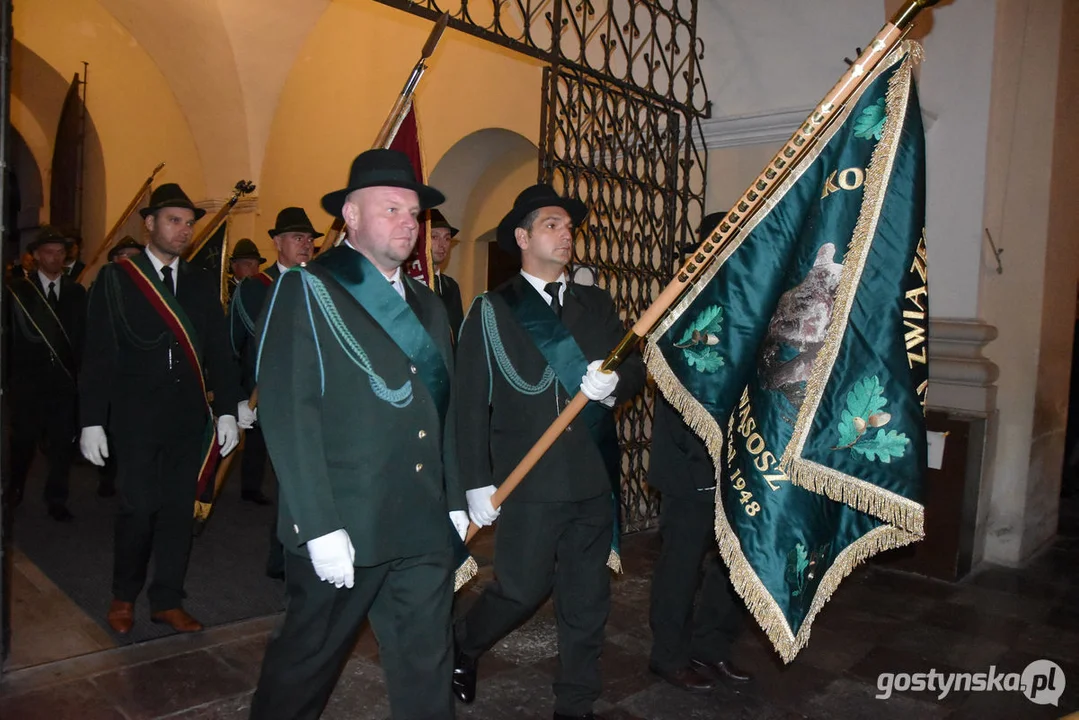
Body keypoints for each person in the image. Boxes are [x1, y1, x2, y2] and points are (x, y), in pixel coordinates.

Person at [248, 149, 468, 720]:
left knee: (427, 665)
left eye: (414, 214)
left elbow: (441, 406)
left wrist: (455, 495)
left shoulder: (428, 303)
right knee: (306, 664)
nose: (408, 224)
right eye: (391, 208)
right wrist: (317, 526)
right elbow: (288, 412)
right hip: (345, 521)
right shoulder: (306, 288)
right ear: (349, 215)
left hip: (420, 518)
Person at [452, 183, 646, 720]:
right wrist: (475, 482)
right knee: (520, 589)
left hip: (589, 474)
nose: (565, 235)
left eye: (568, 227)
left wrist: (618, 384)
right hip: (528, 480)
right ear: (522, 237)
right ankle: (463, 644)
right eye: (552, 225)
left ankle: (575, 703)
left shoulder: (596, 303)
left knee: (588, 602)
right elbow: (469, 405)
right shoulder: (492, 310)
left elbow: (633, 366)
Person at [78, 182, 242, 635]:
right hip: (135, 418)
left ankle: (167, 598)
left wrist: (226, 409)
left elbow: (219, 351)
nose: (183, 230)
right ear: (149, 223)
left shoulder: (199, 282)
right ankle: (123, 596)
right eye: (174, 220)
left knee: (177, 510)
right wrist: (92, 419)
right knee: (137, 508)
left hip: (188, 418)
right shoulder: (117, 279)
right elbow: (98, 354)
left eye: (189, 223)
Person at [227, 206, 321, 576]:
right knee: (286, 476)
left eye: (310, 239)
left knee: (297, 478)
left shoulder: (318, 283)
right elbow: (234, 344)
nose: (306, 245)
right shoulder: (255, 288)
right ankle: (281, 554)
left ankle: (289, 552)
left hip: (310, 396)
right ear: (277, 242)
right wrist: (238, 396)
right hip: (265, 395)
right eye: (298, 238)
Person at [648, 391, 752, 692]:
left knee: (733, 564)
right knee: (681, 566)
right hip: (689, 463)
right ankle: (667, 656)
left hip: (737, 464)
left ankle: (710, 647)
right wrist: (703, 453)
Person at [6, 225, 87, 520]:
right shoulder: (17, 293)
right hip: (28, 383)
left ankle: (57, 498)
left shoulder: (77, 293)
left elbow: (82, 338)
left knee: (62, 444)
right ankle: (14, 488)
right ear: (37, 256)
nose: (54, 258)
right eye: (48, 252)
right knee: (23, 440)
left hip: (64, 385)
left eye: (60, 253)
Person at [94, 236, 146, 499]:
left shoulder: (153, 292)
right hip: (112, 375)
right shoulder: (103, 286)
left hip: (140, 381)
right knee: (110, 431)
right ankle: (107, 476)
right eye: (124, 255)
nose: (130, 261)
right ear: (114, 260)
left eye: (136, 255)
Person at [427, 209, 464, 341]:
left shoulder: (451, 286)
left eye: (447, 238)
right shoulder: (408, 282)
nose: (442, 245)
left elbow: (458, 331)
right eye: (434, 237)